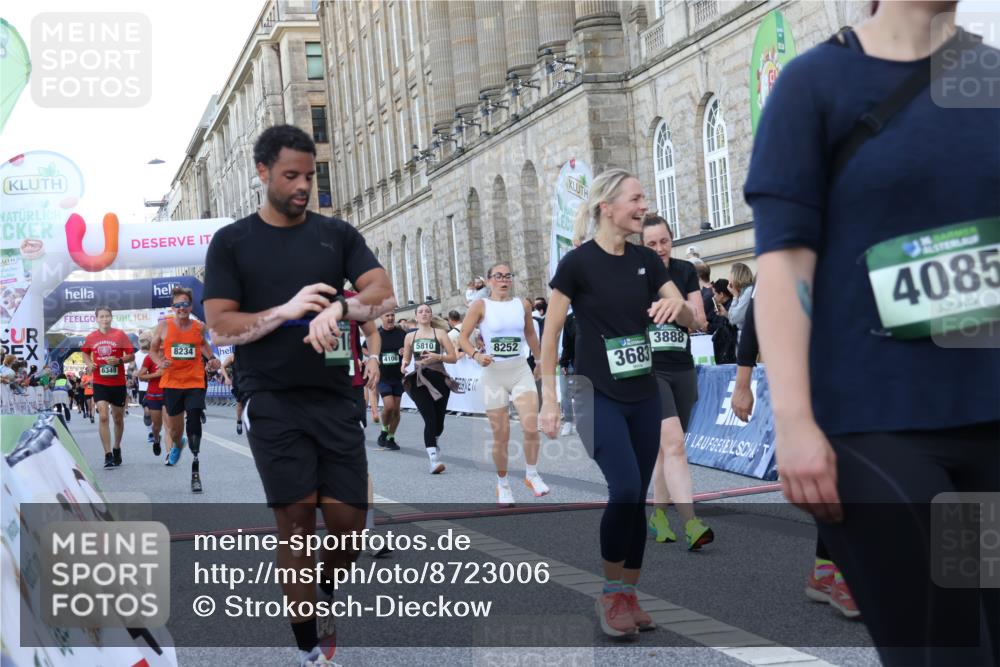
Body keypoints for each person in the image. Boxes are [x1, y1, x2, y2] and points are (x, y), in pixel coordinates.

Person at [746, 2, 999, 663]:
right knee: (944, 647)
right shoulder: (815, 85)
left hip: (990, 413)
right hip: (877, 424)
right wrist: (794, 421)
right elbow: (784, 266)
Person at [203, 124, 395, 667]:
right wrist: (285, 312)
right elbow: (219, 327)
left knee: (348, 525)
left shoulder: (336, 235)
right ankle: (308, 642)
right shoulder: (233, 242)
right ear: (263, 173)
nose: (303, 186)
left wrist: (341, 307)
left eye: (309, 175)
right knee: (294, 519)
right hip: (272, 399)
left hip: (334, 396)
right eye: (291, 175)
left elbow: (382, 294)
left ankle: (325, 590)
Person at [539, 169, 693, 637]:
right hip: (594, 392)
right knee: (624, 488)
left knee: (638, 497)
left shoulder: (648, 260)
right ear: (607, 206)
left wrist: (677, 309)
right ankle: (609, 595)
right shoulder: (577, 264)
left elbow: (690, 316)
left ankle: (629, 593)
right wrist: (549, 398)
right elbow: (550, 336)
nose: (643, 205)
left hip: (643, 391)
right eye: (636, 198)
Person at [640, 215, 714, 550]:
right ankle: (691, 522)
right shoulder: (635, 275)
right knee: (675, 444)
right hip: (649, 370)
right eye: (651, 244)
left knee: (667, 448)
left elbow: (699, 322)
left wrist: (678, 307)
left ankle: (657, 515)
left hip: (682, 368)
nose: (659, 249)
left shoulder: (684, 271)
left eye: (664, 242)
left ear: (672, 240)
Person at [459, 263, 547, 506]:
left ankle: (532, 474)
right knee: (502, 435)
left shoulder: (522, 304)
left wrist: (539, 360)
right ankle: (503, 484)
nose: (504, 280)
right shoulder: (480, 305)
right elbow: (463, 338)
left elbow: (530, 334)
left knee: (531, 425)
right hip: (493, 374)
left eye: (508, 276)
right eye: (498, 276)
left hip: (520, 369)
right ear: (489, 281)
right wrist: (476, 355)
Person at [150, 286, 221, 492]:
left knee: (195, 417)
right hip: (172, 383)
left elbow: (203, 346)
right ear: (172, 307)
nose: (182, 308)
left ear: (191, 306)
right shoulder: (163, 326)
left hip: (194, 381)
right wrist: (159, 363)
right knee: (174, 428)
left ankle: (195, 468)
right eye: (177, 305)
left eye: (185, 304)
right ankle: (177, 443)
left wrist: (213, 359)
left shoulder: (199, 327)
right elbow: (154, 350)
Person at [402, 303, 459, 474]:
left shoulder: (440, 333)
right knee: (430, 419)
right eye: (421, 311)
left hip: (439, 378)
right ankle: (433, 461)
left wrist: (437, 356)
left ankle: (434, 439)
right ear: (416, 316)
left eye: (427, 311)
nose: (424, 313)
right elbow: (406, 358)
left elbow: (453, 358)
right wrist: (404, 365)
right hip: (419, 379)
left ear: (431, 315)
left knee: (439, 423)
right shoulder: (410, 337)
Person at [81, 306, 135, 468]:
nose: (104, 319)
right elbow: (84, 353)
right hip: (100, 382)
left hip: (117, 383)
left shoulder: (120, 335)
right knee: (103, 416)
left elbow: (131, 355)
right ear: (96, 319)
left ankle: (117, 447)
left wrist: (119, 361)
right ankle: (108, 454)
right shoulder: (91, 337)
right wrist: (90, 363)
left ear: (111, 318)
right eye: (101, 317)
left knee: (117, 418)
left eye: (107, 316)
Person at [376, 311, 407, 451]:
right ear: (381, 317)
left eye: (392, 315)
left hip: (398, 376)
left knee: (396, 409)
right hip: (383, 376)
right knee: (388, 406)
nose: (390, 318)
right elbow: (365, 349)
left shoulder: (402, 333)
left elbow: (409, 349)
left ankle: (391, 437)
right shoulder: (376, 334)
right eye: (387, 315)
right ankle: (384, 430)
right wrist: (375, 356)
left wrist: (404, 351)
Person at [137, 349, 171, 458]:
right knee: (157, 426)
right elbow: (141, 376)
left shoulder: (171, 356)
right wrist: (156, 374)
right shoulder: (150, 358)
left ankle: (169, 454)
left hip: (168, 394)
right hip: (154, 396)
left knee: (168, 426)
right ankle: (156, 439)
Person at [558, 308, 577, 436]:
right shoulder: (570, 319)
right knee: (565, 392)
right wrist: (564, 362)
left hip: (587, 363)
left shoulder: (594, 315)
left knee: (583, 395)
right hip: (569, 361)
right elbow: (567, 343)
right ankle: (568, 422)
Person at [726, 262, 754, 339]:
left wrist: (735, 296)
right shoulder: (743, 291)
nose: (728, 277)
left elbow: (734, 319)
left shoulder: (748, 291)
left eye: (730, 273)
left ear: (736, 275)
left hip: (751, 337)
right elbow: (732, 318)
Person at [220, 353, 244, 435]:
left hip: (250, 383)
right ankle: (239, 421)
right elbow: (222, 367)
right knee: (240, 404)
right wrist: (226, 378)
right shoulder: (233, 356)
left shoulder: (252, 354)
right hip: (238, 384)